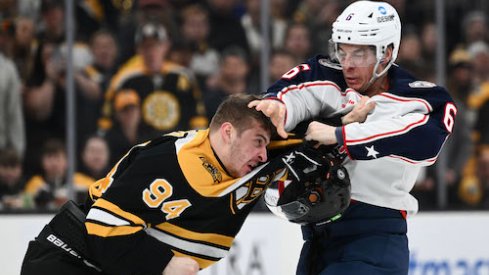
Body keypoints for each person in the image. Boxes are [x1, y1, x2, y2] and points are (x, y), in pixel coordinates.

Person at [21, 94, 357, 275]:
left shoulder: (252, 153)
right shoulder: (171, 163)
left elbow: (307, 135)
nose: (263, 153)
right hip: (67, 259)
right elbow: (106, 226)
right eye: (257, 142)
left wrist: (350, 119)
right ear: (227, 133)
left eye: (265, 143)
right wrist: (165, 265)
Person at [250, 1, 456, 274]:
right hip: (316, 237)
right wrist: (279, 106)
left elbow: (424, 143)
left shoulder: (423, 99)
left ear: (387, 53)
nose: (347, 64)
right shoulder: (325, 74)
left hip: (375, 237)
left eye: (359, 54)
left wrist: (340, 134)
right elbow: (293, 93)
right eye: (342, 51)